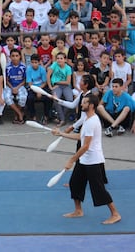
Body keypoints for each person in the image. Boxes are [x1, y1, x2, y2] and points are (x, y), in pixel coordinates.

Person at [51, 94, 121, 225]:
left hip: (93, 161)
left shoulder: (92, 121)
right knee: (75, 183)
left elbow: (86, 146)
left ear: (91, 105)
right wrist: (61, 134)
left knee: (99, 189)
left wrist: (72, 160)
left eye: (84, 103)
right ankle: (78, 210)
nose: (81, 104)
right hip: (85, 160)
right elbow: (81, 137)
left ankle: (115, 214)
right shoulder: (87, 120)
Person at [47, 52, 73, 127]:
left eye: (61, 58)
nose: (59, 60)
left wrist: (56, 81)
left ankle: (60, 116)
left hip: (66, 86)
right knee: (56, 99)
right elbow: (48, 75)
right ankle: (62, 120)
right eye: (57, 58)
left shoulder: (68, 68)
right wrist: (50, 87)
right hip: (56, 86)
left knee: (70, 100)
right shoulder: (54, 65)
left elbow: (67, 82)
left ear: (65, 60)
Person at [3, 48, 27, 124]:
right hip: (10, 86)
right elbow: (6, 80)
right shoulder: (7, 67)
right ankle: (20, 114)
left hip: (20, 85)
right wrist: (12, 88)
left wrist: (17, 88)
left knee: (23, 97)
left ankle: (16, 115)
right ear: (10, 57)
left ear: (20, 56)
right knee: (6, 97)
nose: (15, 57)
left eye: (17, 55)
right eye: (13, 56)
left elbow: (25, 80)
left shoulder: (23, 66)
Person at [26, 54, 51, 124]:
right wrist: (35, 90)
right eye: (32, 62)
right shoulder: (28, 69)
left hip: (41, 87)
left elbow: (45, 82)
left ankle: (46, 116)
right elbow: (29, 83)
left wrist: (39, 90)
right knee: (29, 98)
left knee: (48, 98)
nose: (34, 64)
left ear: (39, 62)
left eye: (36, 62)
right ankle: (33, 116)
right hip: (32, 88)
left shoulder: (42, 69)